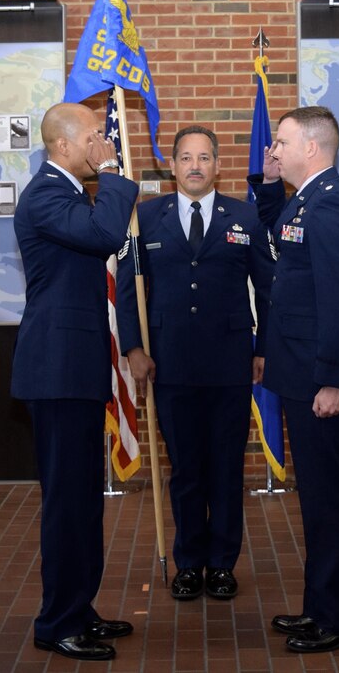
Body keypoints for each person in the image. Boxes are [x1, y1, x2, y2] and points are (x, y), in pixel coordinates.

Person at [116, 125, 275, 601]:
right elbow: (128, 289)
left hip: (230, 363)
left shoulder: (245, 216)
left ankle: (222, 564)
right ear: (172, 166)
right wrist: (134, 348)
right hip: (170, 364)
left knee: (226, 468)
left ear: (218, 166)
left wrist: (264, 348)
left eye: (204, 157)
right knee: (185, 469)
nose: (195, 166)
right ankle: (188, 563)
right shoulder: (145, 217)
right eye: (186, 157)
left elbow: (267, 289)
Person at [10, 102, 139, 662]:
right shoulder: (45, 195)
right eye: (94, 137)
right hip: (56, 369)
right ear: (62, 145)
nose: (103, 143)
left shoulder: (68, 194)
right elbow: (106, 232)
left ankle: (79, 609)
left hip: (76, 368)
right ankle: (57, 622)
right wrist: (111, 172)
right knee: (66, 502)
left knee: (85, 499)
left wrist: (104, 176)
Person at [248, 106, 339, 653]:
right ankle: (321, 606)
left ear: (312, 149)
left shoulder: (331, 204)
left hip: (320, 376)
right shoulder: (308, 199)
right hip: (301, 371)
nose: (273, 149)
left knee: (328, 500)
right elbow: (282, 237)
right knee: (316, 499)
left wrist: (333, 380)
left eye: (282, 142)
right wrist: (271, 184)